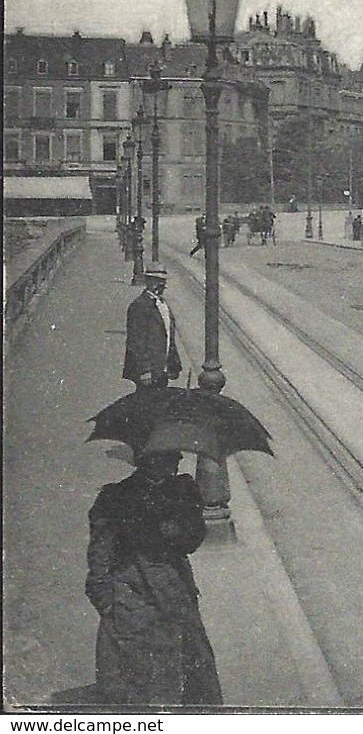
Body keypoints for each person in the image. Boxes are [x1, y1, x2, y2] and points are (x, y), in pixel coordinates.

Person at [85, 450, 222, 705]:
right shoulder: (116, 497)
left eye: (175, 460)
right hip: (132, 593)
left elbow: (193, 539)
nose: (174, 464)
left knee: (190, 664)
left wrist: (178, 531)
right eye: (166, 460)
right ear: (146, 462)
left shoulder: (182, 491)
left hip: (175, 591)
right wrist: (107, 600)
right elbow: (100, 552)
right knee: (138, 672)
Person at [123, 268, 181, 389]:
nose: (161, 284)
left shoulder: (163, 304)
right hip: (148, 372)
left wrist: (173, 364)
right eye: (156, 280)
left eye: (163, 281)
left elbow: (168, 335)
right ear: (147, 281)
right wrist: (144, 370)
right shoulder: (139, 305)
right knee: (146, 404)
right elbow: (135, 341)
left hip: (162, 368)